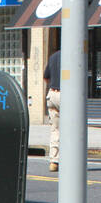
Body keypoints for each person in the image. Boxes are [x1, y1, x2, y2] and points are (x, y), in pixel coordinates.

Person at [43, 43, 61, 171]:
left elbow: (46, 77)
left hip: (52, 94)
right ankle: (72, 159)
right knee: (72, 130)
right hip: (65, 94)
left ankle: (54, 161)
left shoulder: (53, 57)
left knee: (55, 129)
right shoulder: (73, 56)